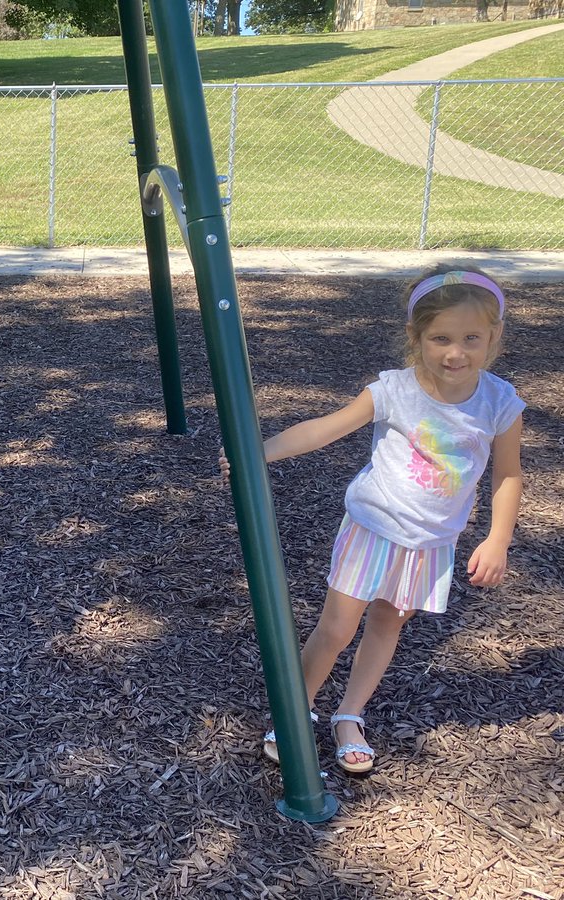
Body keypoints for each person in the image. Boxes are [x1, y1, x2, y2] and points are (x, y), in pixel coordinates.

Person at [221, 265, 524, 773]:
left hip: (431, 542)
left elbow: (508, 475)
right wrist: (258, 451)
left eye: (472, 338)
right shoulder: (395, 391)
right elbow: (326, 428)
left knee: (387, 625)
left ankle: (349, 714)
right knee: (337, 626)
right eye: (441, 338)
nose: (457, 352)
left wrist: (498, 539)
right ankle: (294, 716)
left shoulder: (500, 403)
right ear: (416, 337)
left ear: (494, 336)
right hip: (374, 530)